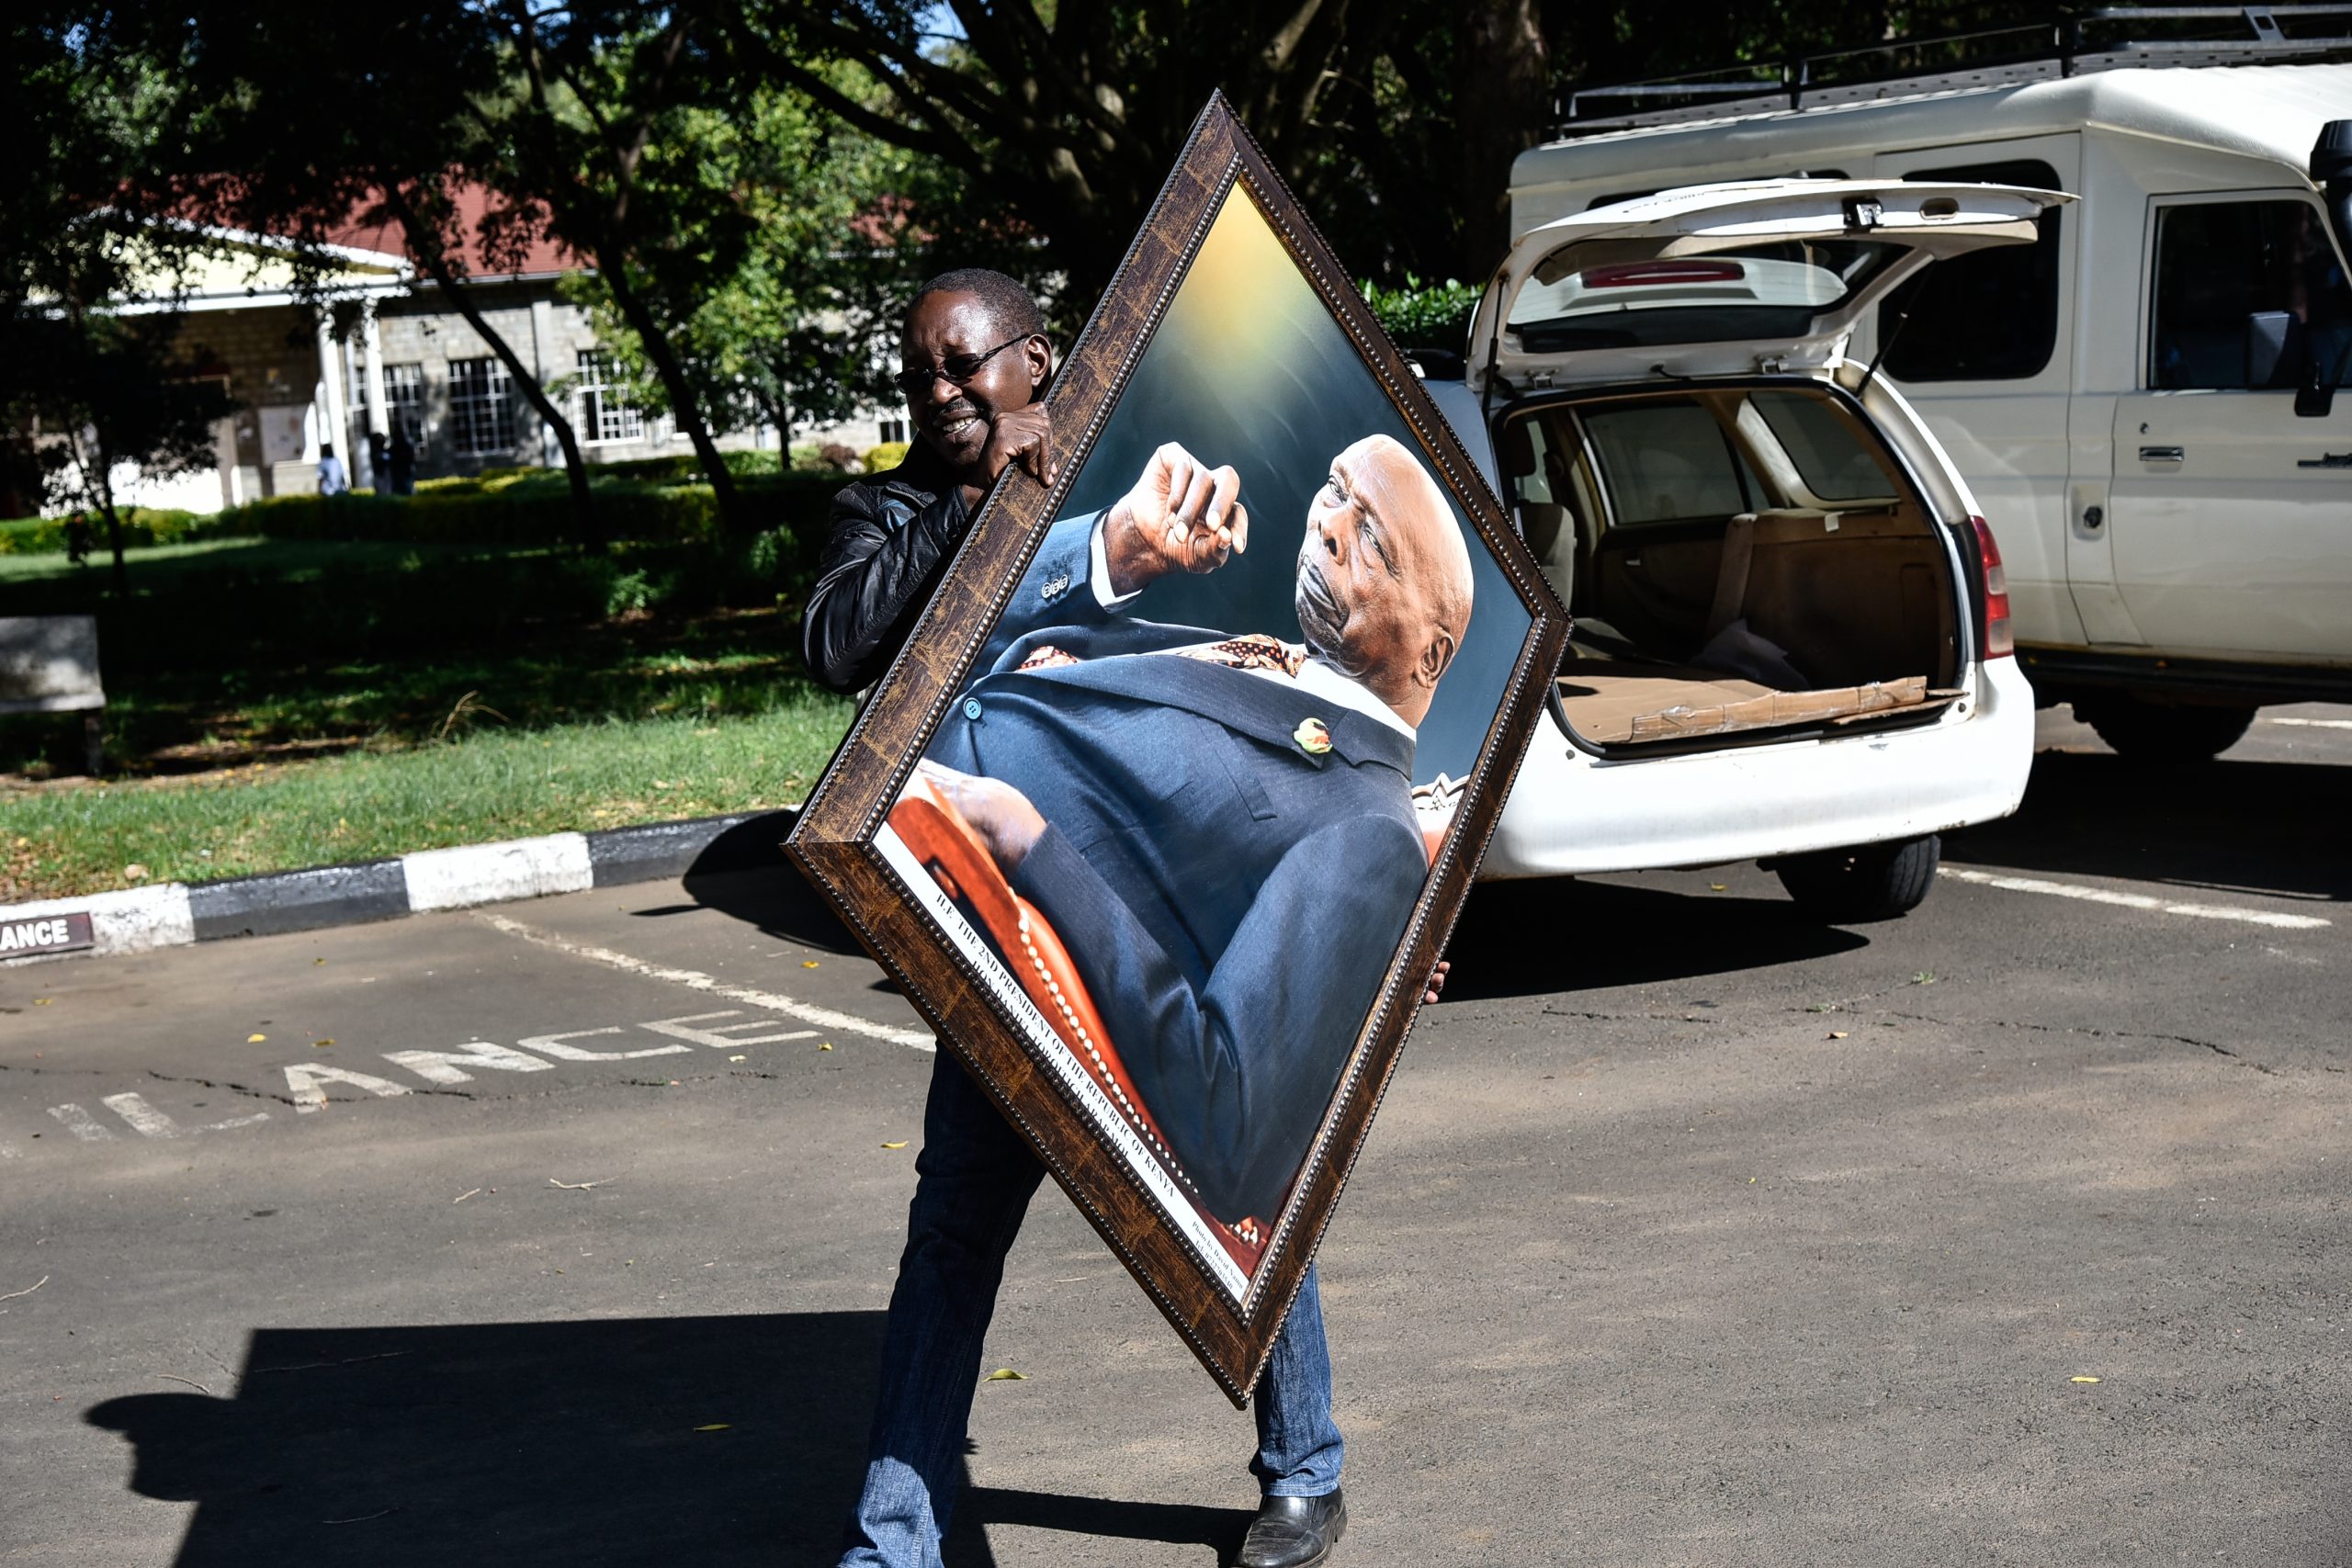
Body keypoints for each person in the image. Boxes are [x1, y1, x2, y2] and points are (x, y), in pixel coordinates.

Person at [805, 269, 1444, 1568]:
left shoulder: (1142, 489)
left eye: (964, 365)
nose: (939, 392)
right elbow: (841, 647)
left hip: (1176, 927)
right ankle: (896, 1540)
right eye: (918, 372)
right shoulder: (890, 511)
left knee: (1241, 1195)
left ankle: (1304, 1468)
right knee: (951, 1242)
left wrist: (1381, 929)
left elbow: (1284, 767)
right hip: (995, 945)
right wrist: (985, 512)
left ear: (1035, 363)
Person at [913, 432, 1475, 1224]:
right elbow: (974, 634)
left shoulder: (1369, 826)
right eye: (1335, 486)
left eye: (1372, 540)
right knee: (949, 1230)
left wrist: (1030, 842)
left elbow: (1234, 1132)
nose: (1329, 525)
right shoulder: (1276, 665)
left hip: (1005, 909)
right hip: (955, 854)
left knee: (953, 1228)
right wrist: (1124, 548)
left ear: (1430, 656)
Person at [387, 430, 415, 496]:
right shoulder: (405, 446)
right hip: (401, 473)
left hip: (402, 472)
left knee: (404, 490)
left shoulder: (397, 448)